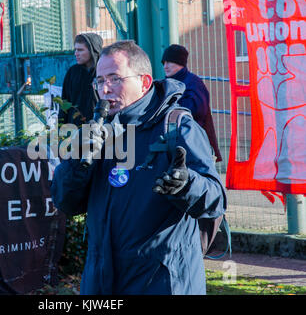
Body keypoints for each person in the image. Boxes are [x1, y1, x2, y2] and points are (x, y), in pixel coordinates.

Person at [51, 40, 226, 295]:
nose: (105, 89)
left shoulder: (178, 127)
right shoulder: (96, 132)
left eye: (114, 78)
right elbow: (66, 202)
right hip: (102, 282)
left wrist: (187, 184)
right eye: (99, 81)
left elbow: (216, 199)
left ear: (144, 82)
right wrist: (77, 161)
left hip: (163, 283)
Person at [162, 44, 222, 162]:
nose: (165, 66)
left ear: (180, 62)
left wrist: (170, 107)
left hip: (194, 142)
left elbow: (197, 111)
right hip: (173, 141)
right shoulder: (166, 84)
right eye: (164, 63)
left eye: (169, 62)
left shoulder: (194, 82)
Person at [59, 33, 103, 126]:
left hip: (100, 128)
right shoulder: (72, 72)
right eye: (75, 49)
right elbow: (65, 103)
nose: (76, 53)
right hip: (75, 129)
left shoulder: (103, 71)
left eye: (80, 50)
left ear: (93, 50)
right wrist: (61, 128)